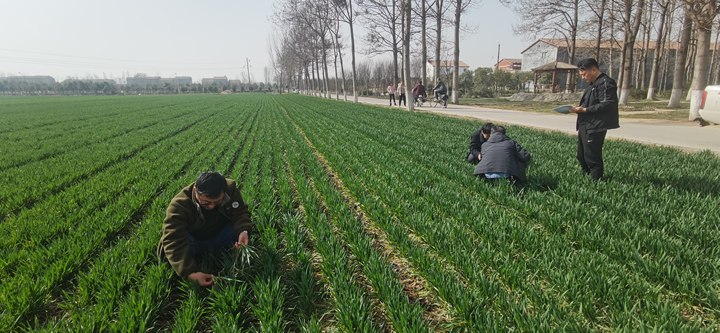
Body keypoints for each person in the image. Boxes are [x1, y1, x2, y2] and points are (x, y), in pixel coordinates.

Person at [157, 172, 252, 287]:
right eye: (205, 203)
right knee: (172, 251)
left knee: (236, 229)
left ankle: (226, 248)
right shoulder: (179, 205)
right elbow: (173, 239)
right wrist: (190, 273)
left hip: (218, 235)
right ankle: (196, 258)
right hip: (194, 241)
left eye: (217, 202)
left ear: (224, 191)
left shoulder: (230, 191)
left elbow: (240, 213)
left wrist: (243, 231)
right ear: (196, 190)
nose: (211, 207)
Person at [570, 58, 619, 181]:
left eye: (584, 74)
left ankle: (596, 181)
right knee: (582, 156)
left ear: (593, 70)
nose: (583, 77)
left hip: (596, 125)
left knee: (592, 156)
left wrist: (585, 110)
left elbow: (608, 104)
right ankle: (585, 178)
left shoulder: (606, 83)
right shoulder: (593, 85)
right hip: (586, 124)